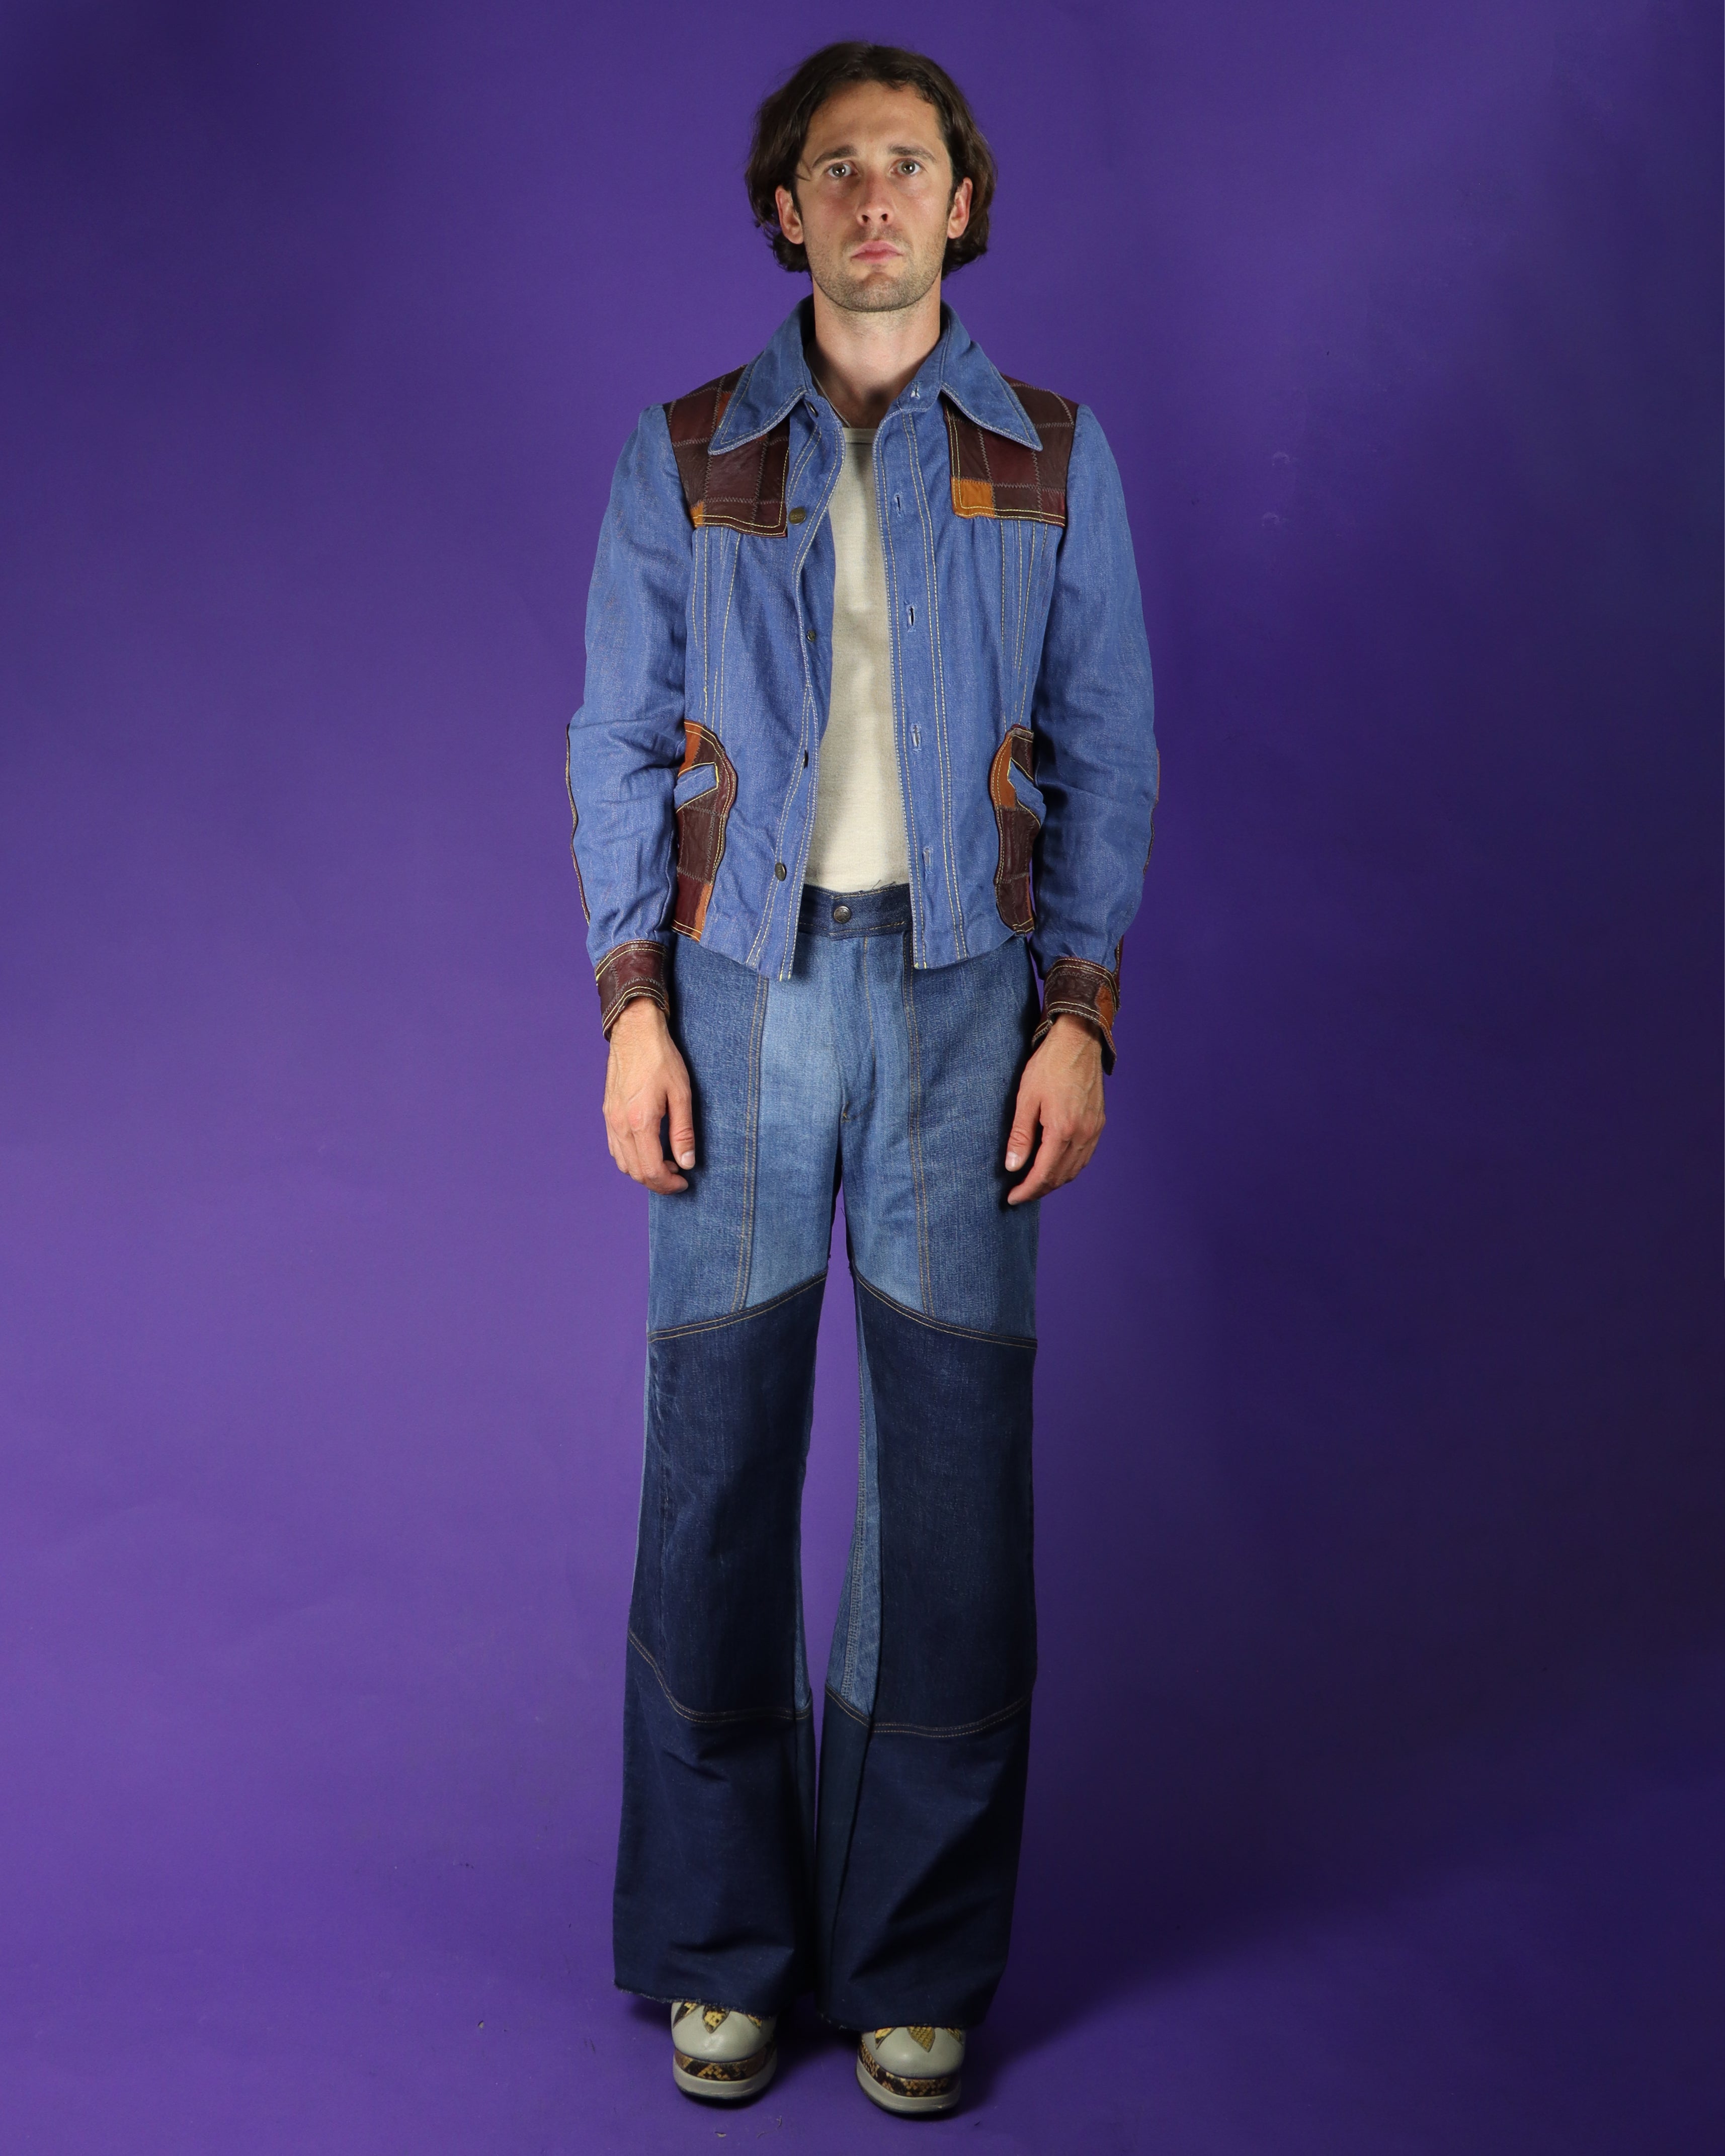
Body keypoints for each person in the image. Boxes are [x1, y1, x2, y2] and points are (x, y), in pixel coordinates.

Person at [564, 39, 1156, 2119]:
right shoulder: (688, 451)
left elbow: (1109, 746)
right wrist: (631, 1004)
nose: (876, 195)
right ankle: (722, 1947)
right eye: (838, 167)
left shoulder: (1049, 456)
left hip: (968, 1008)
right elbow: (614, 735)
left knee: (952, 1492)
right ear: (787, 211)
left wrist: (1077, 1016)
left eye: (910, 163)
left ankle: (912, 1959)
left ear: (963, 205)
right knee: (715, 1468)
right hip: (738, 1002)